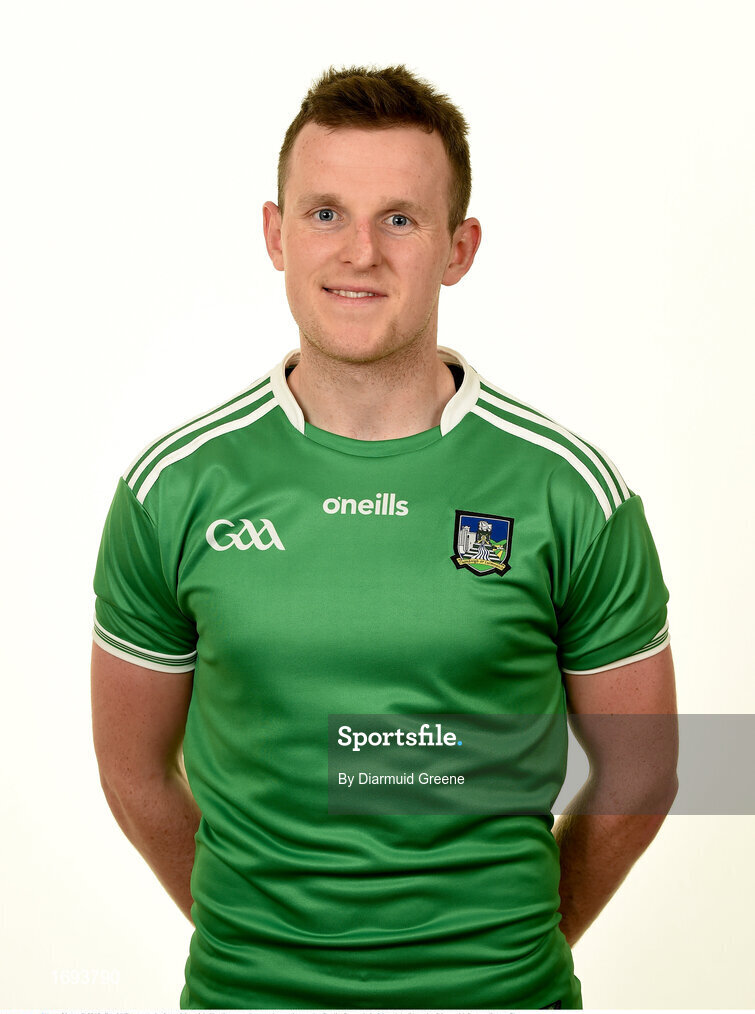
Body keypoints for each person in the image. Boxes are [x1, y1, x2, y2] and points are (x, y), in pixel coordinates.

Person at [91, 64, 678, 1009]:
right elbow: (131, 772)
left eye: (399, 218)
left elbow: (642, 772)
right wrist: (260, 938)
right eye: (324, 213)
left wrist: (504, 945)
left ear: (457, 247)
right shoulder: (176, 490)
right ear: (276, 235)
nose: (359, 251)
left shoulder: (569, 491)